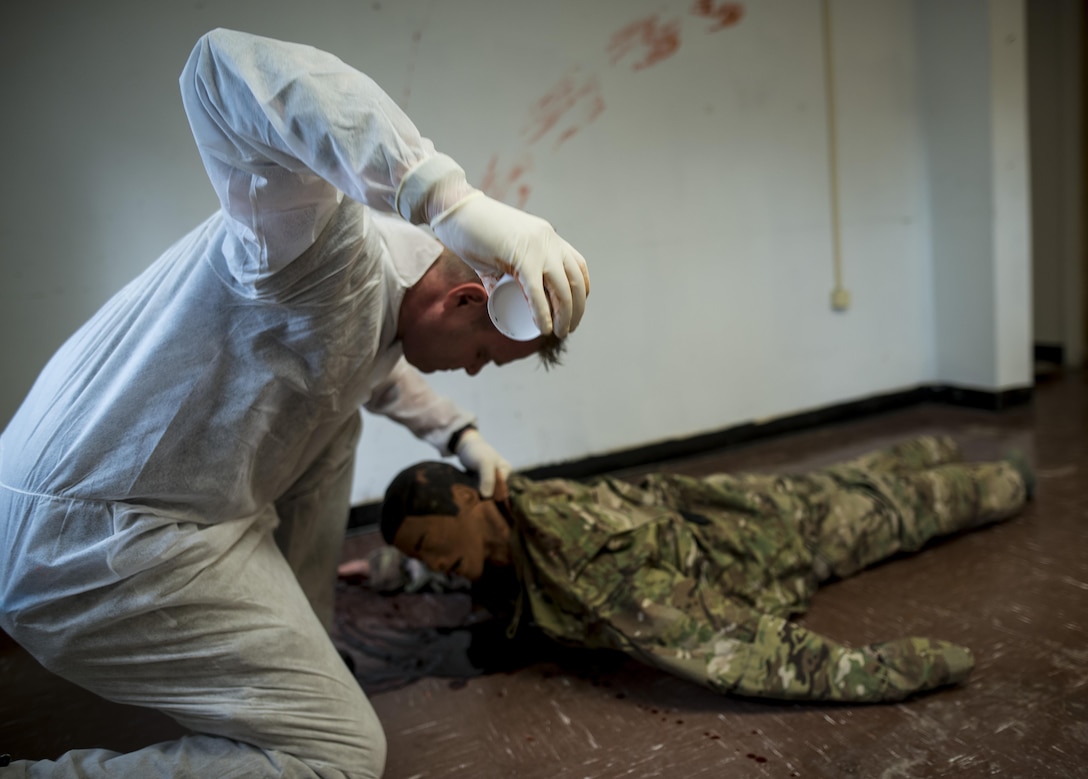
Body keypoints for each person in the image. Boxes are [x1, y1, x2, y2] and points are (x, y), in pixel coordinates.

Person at [0, 28, 589, 779]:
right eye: (482, 355)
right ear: (468, 298)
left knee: (338, 419)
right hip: (92, 539)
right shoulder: (322, 254)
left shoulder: (372, 303)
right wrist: (449, 198)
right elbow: (220, 69)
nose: (471, 371)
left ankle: (302, 643)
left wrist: (461, 435)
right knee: (337, 757)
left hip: (112, 506)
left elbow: (367, 374)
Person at [374, 435, 1032, 704]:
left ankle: (1010, 476)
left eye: (430, 544)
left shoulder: (580, 559)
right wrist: (395, 566)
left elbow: (733, 647)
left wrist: (900, 668)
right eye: (419, 556)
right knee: (838, 483)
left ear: (466, 498)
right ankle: (932, 444)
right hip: (727, 503)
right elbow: (440, 557)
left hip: (772, 542)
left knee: (898, 510)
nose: (434, 563)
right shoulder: (504, 507)